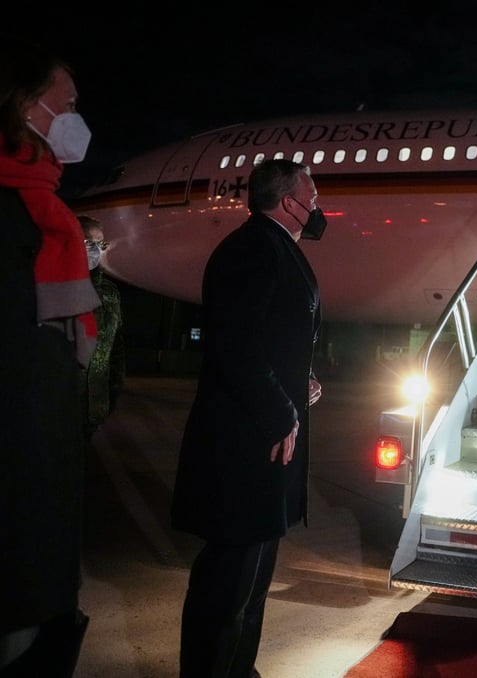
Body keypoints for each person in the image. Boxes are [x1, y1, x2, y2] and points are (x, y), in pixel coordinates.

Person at [171, 158, 326, 677]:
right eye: (312, 197)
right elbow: (236, 347)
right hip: (245, 444)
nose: (318, 207)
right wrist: (281, 412)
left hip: (265, 442)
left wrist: (300, 380)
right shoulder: (250, 250)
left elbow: (272, 339)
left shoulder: (274, 247)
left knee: (253, 581)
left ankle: (238, 670)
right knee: (227, 584)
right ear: (289, 202)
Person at [0, 35, 98, 677]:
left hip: (37, 494)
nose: (75, 118)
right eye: (67, 103)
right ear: (26, 107)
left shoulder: (44, 211)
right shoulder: (17, 215)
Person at [78, 215, 125, 434]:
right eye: (89, 243)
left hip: (93, 406)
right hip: (60, 404)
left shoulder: (109, 293)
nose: (96, 251)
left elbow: (116, 347)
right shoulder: (56, 288)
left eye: (101, 244)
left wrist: (114, 391)